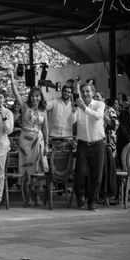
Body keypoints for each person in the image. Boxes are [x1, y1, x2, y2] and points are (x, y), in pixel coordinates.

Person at [10, 73, 49, 205]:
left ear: (40, 97)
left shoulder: (44, 110)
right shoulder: (24, 107)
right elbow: (16, 94)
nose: (35, 98)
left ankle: (37, 195)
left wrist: (47, 145)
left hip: (39, 141)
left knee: (38, 168)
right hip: (26, 141)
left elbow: (46, 129)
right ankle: (28, 197)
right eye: (32, 96)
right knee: (27, 169)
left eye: (37, 96)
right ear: (30, 97)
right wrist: (12, 79)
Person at [73, 83, 106, 211]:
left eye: (88, 91)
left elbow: (98, 116)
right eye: (83, 91)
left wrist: (84, 108)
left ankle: (92, 201)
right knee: (80, 173)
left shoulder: (99, 104)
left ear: (93, 93)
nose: (85, 93)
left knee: (96, 175)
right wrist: (74, 110)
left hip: (98, 144)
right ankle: (80, 197)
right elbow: (71, 121)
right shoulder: (78, 106)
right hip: (82, 144)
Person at [46, 84, 76, 150]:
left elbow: (73, 121)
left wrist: (74, 112)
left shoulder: (73, 105)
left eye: (69, 92)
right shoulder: (54, 101)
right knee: (53, 158)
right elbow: (44, 106)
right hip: (54, 136)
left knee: (67, 159)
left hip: (68, 137)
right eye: (65, 91)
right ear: (61, 92)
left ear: (71, 94)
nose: (66, 93)